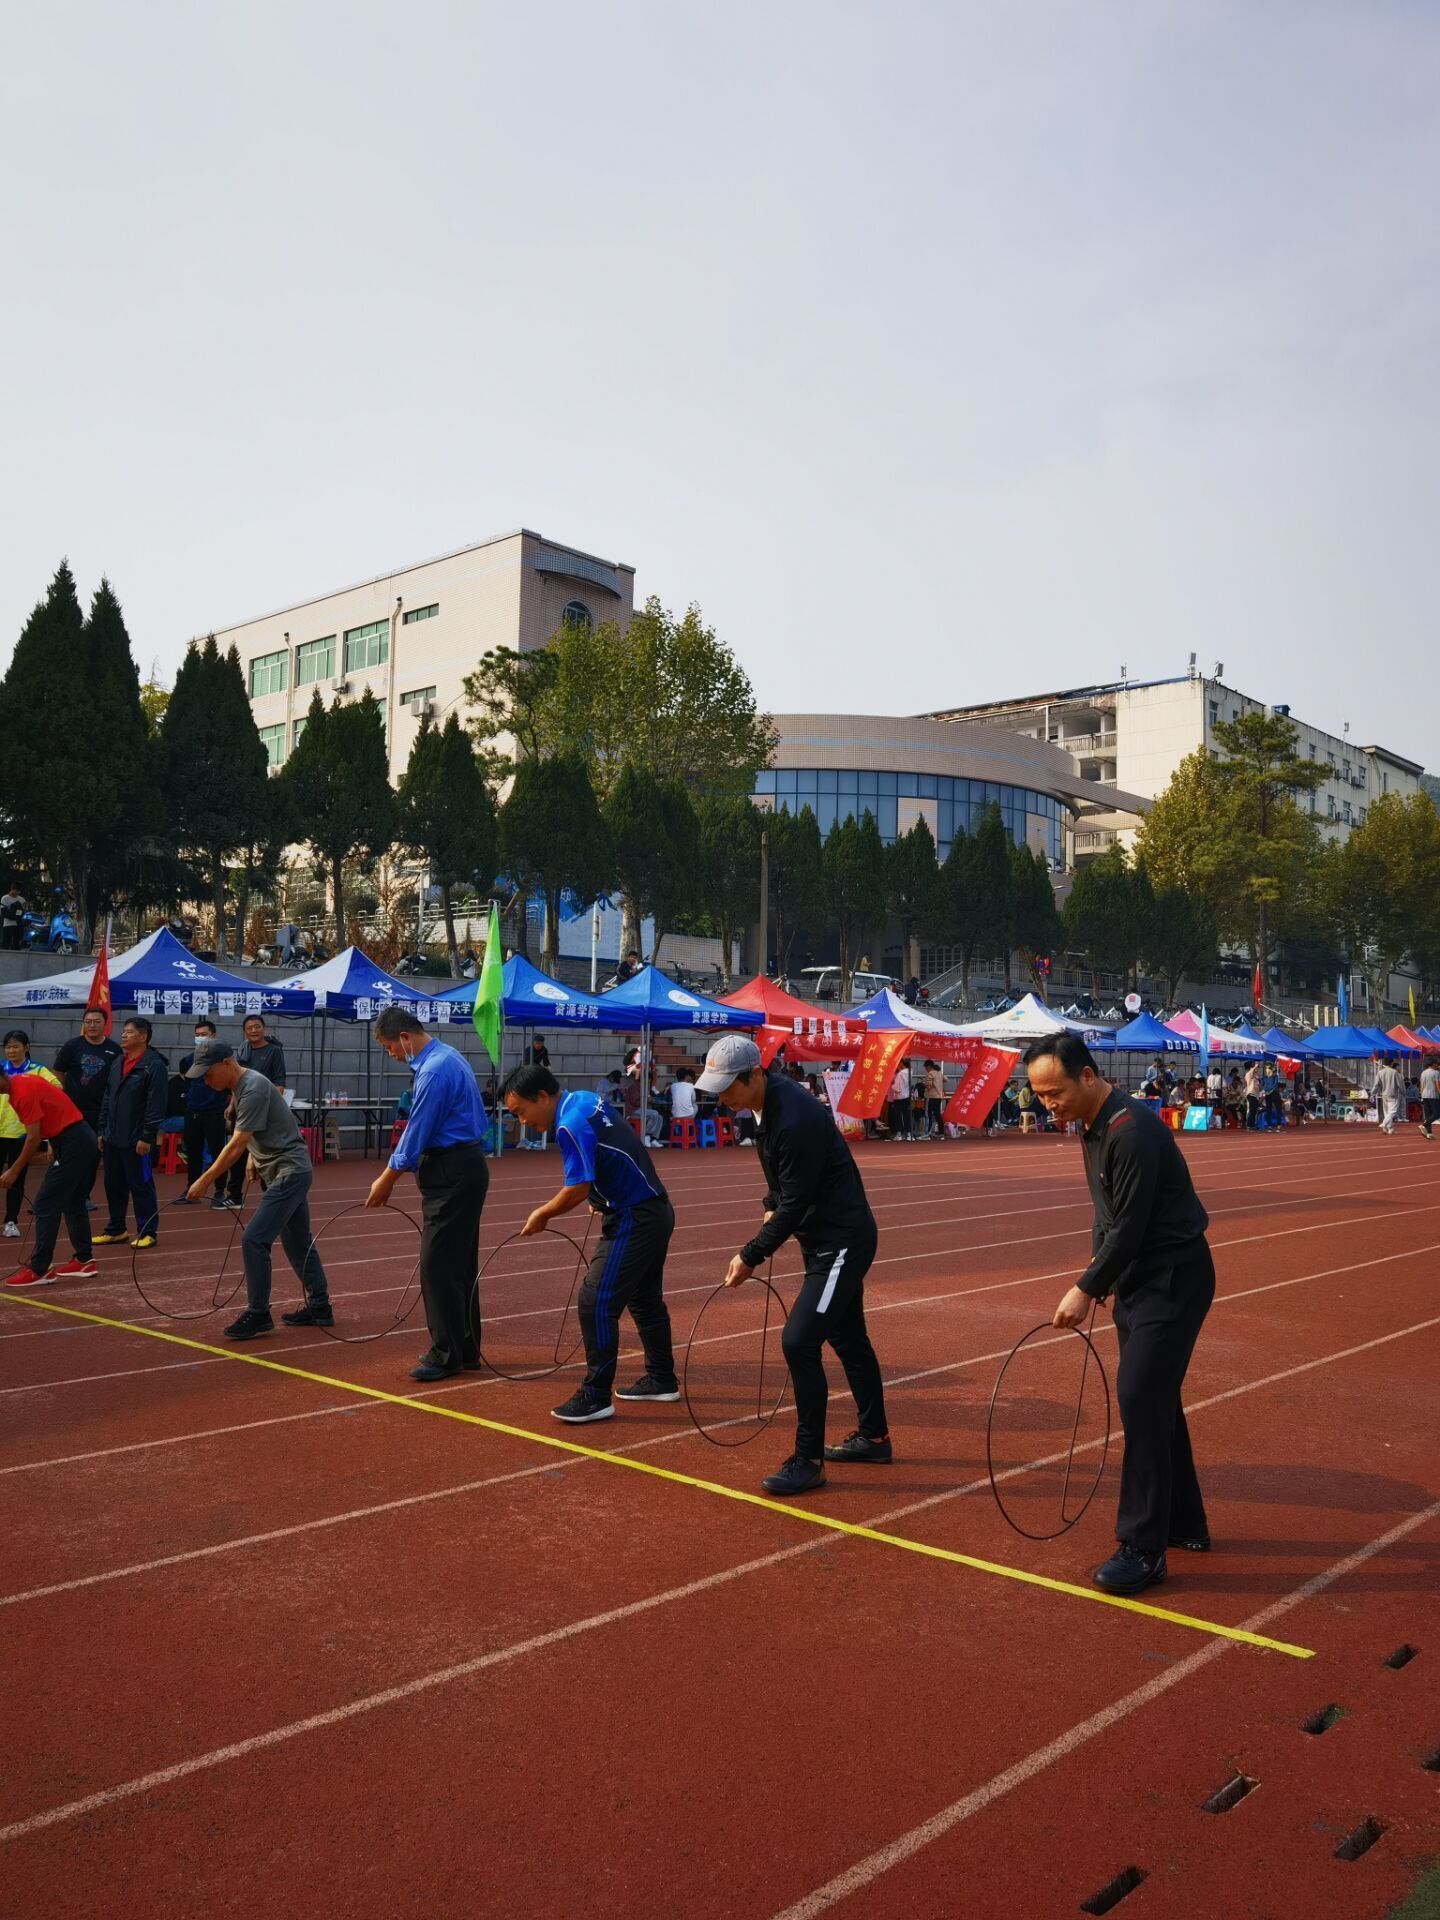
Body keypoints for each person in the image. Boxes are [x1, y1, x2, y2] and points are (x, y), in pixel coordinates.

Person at [1025, 1032, 1214, 1597]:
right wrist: (1099, 1274)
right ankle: (1183, 1521)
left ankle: (1143, 1547)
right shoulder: (1092, 1125)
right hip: (1137, 1279)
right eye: (1039, 1095)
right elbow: (1105, 1216)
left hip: (1172, 1278)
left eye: (1055, 1092)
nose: (1048, 1105)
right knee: (1155, 1399)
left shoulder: (1132, 1131)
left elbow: (1129, 1226)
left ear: (1087, 1076)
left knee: (1138, 1398)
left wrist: (1085, 1288)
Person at [702, 1033, 891, 1497]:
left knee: (799, 1340)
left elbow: (795, 1201)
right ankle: (874, 1438)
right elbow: (781, 1185)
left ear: (755, 1075)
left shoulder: (795, 1117)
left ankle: (807, 1460)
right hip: (823, 1239)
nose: (723, 1099)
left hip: (840, 1243)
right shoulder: (763, 1108)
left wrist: (751, 1253)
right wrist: (769, 1205)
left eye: (728, 1088)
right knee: (847, 1338)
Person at [503, 1062, 678, 1423]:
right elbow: (612, 1150)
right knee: (644, 1300)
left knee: (595, 1301)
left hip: (634, 1217)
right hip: (654, 1208)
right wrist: (601, 1195)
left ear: (541, 1097)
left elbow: (576, 1189)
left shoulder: (568, 1124)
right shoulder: (583, 1099)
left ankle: (595, 1395)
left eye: (521, 1111)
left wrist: (542, 1214)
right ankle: (662, 1379)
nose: (523, 1121)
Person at [366, 1007, 489, 1381]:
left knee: (437, 1265)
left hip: (451, 1170)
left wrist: (387, 1177)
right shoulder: (448, 1056)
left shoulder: (434, 1070)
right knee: (458, 1264)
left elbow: (417, 1130)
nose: (391, 1054)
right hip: (463, 1165)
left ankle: (446, 1354)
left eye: (389, 1047)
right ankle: (464, 1348)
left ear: (404, 1037)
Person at [182, 1041, 332, 1339]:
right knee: (297, 1242)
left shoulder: (252, 1088)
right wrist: (254, 1158)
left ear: (227, 1064)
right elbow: (264, 1127)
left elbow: (237, 1143)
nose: (206, 1081)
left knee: (254, 1239)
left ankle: (259, 1312)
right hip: (283, 1170)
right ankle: (320, 1306)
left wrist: (204, 1179)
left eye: (208, 1074)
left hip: (288, 1172)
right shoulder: (242, 1085)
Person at [0, 1068, 99, 1288]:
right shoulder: (20, 1083)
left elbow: (33, 1138)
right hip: (76, 1137)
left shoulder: (21, 1092)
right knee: (73, 1201)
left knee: (45, 1204)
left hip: (74, 1142)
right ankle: (84, 1260)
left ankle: (40, 1268)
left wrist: (14, 1170)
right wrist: (54, 1141)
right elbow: (54, 1105)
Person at [93, 1017, 168, 1248]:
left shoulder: (153, 1065)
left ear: (143, 1037)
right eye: (123, 1031)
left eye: (129, 1032)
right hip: (112, 1136)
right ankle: (116, 1229)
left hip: (136, 1139)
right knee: (113, 1185)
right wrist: (102, 1129)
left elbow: (156, 1104)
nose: (123, 1035)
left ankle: (147, 1231)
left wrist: (147, 1136)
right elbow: (108, 1097)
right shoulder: (118, 1061)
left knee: (141, 1185)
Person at [0, 1033, 63, 1240]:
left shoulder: (37, 1070)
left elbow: (57, 1088)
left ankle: (10, 1221)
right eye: (8, 1047)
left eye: (16, 1046)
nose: (11, 1051)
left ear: (26, 1048)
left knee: (16, 1178)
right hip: (0, 1130)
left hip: (22, 1133)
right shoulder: (2, 1069)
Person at [222, 1014, 288, 1204]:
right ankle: (234, 1196)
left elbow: (280, 1083)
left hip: (264, 1111)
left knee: (265, 1155)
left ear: (264, 1029)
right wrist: (232, 1104)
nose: (253, 1030)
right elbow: (237, 1081)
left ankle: (270, 1197)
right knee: (237, 1153)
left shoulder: (274, 1051)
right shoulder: (242, 1051)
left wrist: (270, 1107)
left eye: (257, 1026)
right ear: (244, 1032)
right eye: (249, 1028)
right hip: (243, 1109)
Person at [174, 1019, 231, 1207]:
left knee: (217, 1153)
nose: (200, 1038)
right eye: (197, 1035)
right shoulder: (188, 1060)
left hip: (214, 1113)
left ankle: (219, 1190)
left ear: (213, 1036)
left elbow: (230, 1085)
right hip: (192, 1112)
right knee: (193, 1153)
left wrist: (229, 1106)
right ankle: (192, 1189)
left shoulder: (222, 1058)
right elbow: (187, 1082)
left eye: (204, 1034)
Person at [1374, 1057, 1405, 1135]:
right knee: (1393, 1111)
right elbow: (1400, 1085)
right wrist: (1403, 1092)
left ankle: (1390, 1129)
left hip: (1384, 1094)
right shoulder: (1394, 1072)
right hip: (1393, 1094)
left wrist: (1373, 1092)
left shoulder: (1380, 1072)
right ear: (1392, 1063)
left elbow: (1376, 1084)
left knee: (1387, 1112)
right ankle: (1384, 1123)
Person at [886, 1061, 911, 1141]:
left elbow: (897, 1088)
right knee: (906, 1115)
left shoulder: (900, 1073)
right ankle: (908, 1134)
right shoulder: (910, 1072)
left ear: (902, 1064)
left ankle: (899, 1134)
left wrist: (892, 1085)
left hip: (899, 1097)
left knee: (898, 1116)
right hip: (907, 1096)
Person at [922, 1060, 945, 1139]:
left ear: (928, 1066)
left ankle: (928, 1133)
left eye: (926, 1068)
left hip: (931, 1096)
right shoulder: (939, 1073)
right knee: (937, 1115)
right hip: (938, 1096)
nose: (926, 1070)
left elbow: (928, 1085)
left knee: (928, 1115)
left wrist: (924, 1083)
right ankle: (941, 1132)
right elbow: (946, 1079)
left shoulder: (930, 1073)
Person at [1420, 1057, 1440, 1141]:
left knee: (1428, 1115)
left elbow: (1422, 1084)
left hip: (1425, 1095)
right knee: (1437, 1114)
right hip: (1433, 1095)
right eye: (1437, 1064)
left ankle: (1429, 1133)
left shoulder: (1423, 1072)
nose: (1437, 1065)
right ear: (1433, 1064)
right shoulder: (1436, 1073)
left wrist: (1421, 1095)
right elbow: (1437, 1085)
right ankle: (1424, 1125)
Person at [0, 886, 25, 951]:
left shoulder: (21, 899)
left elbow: (23, 911)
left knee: (16, 944)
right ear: (12, 889)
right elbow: (3, 912)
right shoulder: (5, 898)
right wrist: (14, 915)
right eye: (17, 891)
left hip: (18, 924)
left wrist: (17, 916)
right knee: (6, 943)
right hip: (8, 924)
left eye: (19, 891)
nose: (18, 893)